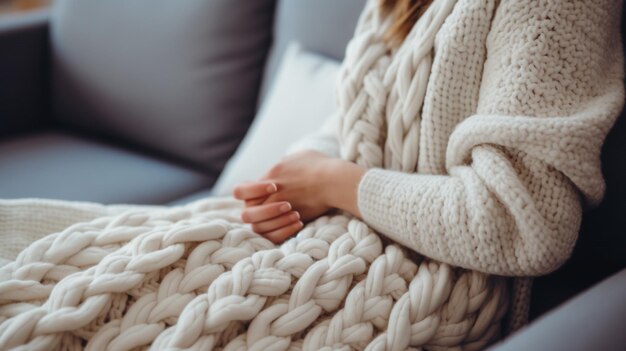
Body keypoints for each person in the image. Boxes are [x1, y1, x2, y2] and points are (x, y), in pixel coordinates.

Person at [233, 0, 625, 280]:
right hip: (336, 236)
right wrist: (296, 179)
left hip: (430, 285)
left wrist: (329, 182)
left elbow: (523, 222)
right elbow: (364, 113)